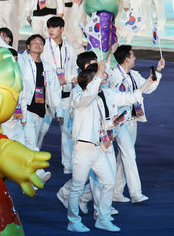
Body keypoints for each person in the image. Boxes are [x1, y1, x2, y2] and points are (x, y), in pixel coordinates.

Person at [66, 62, 154, 233]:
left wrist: (111, 123)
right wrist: (99, 72)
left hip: (98, 148)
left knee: (109, 182)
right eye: (97, 79)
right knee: (76, 187)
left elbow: (127, 100)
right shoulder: (79, 98)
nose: (102, 79)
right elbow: (89, 93)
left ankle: (103, 218)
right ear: (90, 83)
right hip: (83, 150)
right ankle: (73, 221)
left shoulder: (100, 97)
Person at [110, 45, 164, 204]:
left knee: (123, 157)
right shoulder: (114, 76)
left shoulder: (134, 74)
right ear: (126, 58)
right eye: (133, 56)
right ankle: (136, 193)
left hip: (133, 120)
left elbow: (148, 89)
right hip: (119, 122)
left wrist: (158, 71)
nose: (135, 58)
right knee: (129, 155)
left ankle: (116, 192)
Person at [18, 34, 60, 183]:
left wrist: (58, 111)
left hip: (41, 111)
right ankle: (40, 172)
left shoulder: (48, 67)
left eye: (41, 43)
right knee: (30, 142)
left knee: (32, 143)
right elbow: (7, 49)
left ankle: (30, 180)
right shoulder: (22, 60)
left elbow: (54, 90)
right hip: (26, 109)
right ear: (28, 46)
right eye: (34, 42)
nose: (38, 44)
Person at [41, 16, 77, 174]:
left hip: (66, 94)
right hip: (49, 95)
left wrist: (71, 79)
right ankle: (32, 162)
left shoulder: (70, 47)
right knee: (41, 129)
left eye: (54, 27)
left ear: (62, 29)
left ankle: (68, 165)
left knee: (67, 130)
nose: (51, 30)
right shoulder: (43, 46)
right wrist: (55, 80)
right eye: (49, 27)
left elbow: (74, 68)